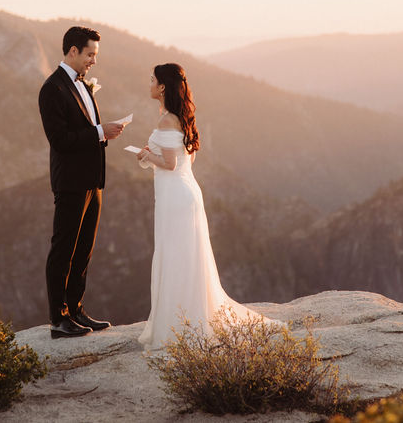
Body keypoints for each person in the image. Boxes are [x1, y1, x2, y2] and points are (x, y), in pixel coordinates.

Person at [135, 63, 279, 351]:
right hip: (186, 192)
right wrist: (152, 156)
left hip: (174, 198)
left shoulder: (166, 121)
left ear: (162, 87)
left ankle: (175, 328)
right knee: (187, 259)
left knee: (175, 258)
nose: (148, 83)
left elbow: (170, 163)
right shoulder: (181, 117)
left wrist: (146, 155)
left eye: (152, 79)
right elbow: (188, 160)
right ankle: (189, 320)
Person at [38, 26, 125, 339]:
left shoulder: (83, 86)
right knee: (63, 249)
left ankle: (76, 310)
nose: (93, 61)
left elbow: (84, 128)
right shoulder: (52, 89)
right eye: (90, 54)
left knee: (84, 249)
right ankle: (58, 319)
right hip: (71, 183)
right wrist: (101, 133)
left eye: (95, 55)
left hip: (92, 181)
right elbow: (59, 140)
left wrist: (101, 131)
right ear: (72, 51)